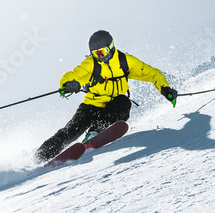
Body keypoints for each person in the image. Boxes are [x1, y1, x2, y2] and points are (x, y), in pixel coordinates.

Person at [35, 30, 178, 163]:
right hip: (91, 105)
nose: (100, 56)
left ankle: (95, 132)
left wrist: (164, 88)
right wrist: (69, 84)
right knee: (71, 130)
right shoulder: (91, 64)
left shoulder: (125, 61)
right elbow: (74, 74)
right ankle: (41, 156)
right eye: (96, 54)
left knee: (123, 102)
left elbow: (152, 73)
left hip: (114, 104)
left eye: (103, 51)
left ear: (111, 47)